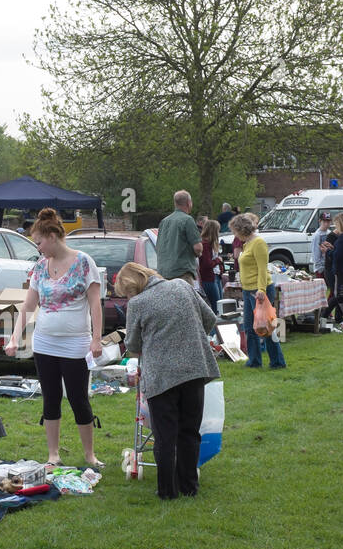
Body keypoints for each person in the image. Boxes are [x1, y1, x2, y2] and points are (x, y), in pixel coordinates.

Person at [5, 208, 104, 466]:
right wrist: (15, 337)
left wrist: (96, 339)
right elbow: (27, 307)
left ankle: (89, 454)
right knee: (50, 397)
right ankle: (53, 454)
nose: (38, 247)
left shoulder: (84, 262)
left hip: (75, 343)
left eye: (38, 242)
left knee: (78, 398)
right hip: (45, 343)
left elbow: (95, 304)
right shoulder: (40, 267)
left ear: (51, 236)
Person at [116, 262, 220, 499]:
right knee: (190, 431)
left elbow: (132, 344)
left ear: (133, 286)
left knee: (165, 437)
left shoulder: (138, 303)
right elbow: (210, 318)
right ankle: (189, 487)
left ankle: (167, 491)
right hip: (194, 368)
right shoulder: (182, 286)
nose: (128, 297)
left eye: (127, 292)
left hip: (161, 376)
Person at [229, 212, 286, 368]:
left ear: (242, 230)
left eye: (235, 231)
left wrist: (261, 290)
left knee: (266, 328)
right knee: (249, 327)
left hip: (259, 290)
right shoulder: (247, 243)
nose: (234, 234)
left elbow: (262, 269)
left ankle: (278, 362)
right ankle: (254, 361)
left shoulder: (258, 243)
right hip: (248, 290)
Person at [156, 190, 203, 284]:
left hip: (163, 273)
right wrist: (199, 253)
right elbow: (198, 247)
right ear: (189, 203)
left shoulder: (164, 221)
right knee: (183, 298)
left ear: (175, 203)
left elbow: (158, 246)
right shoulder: (187, 220)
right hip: (181, 273)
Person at [197, 218, 223, 312]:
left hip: (215, 276)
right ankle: (216, 326)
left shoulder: (210, 244)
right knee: (217, 308)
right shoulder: (205, 245)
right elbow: (207, 264)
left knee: (220, 305)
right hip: (209, 278)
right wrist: (218, 260)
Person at [311, 213, 332, 279]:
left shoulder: (330, 233)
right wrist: (319, 267)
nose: (326, 224)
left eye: (328, 222)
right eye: (324, 221)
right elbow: (315, 252)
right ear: (320, 221)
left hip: (329, 264)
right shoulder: (317, 235)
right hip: (320, 267)